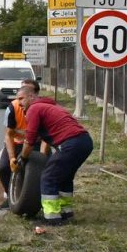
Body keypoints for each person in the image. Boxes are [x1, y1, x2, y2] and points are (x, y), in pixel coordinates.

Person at [18, 84, 93, 225]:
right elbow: (45, 140)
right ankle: (66, 212)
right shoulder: (51, 106)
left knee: (48, 177)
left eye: (21, 99)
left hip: (70, 143)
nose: (19, 103)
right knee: (65, 177)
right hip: (85, 141)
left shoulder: (34, 108)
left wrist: (23, 158)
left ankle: (52, 218)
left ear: (31, 96)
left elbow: (29, 140)